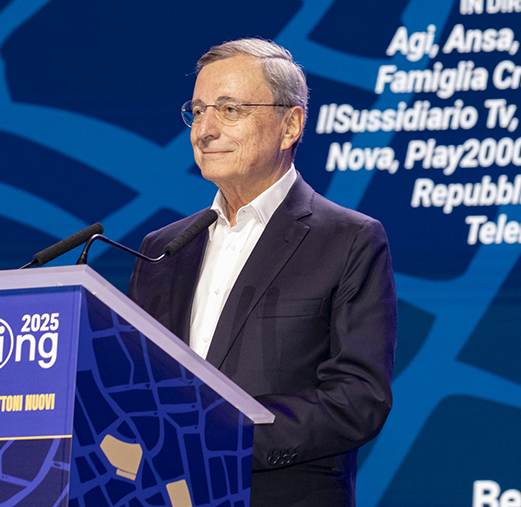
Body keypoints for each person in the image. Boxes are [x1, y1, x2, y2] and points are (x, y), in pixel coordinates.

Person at [128, 38, 397, 507]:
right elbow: (131, 381)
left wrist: (223, 434)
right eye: (198, 111)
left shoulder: (348, 239)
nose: (205, 130)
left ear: (290, 125)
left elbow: (358, 399)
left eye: (230, 110)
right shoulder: (163, 248)